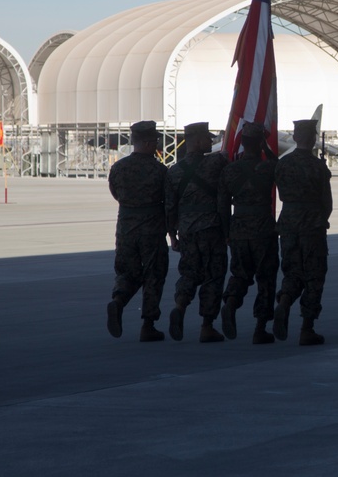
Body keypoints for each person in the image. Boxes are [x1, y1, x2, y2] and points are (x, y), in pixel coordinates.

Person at [106, 120, 169, 342]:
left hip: (125, 228)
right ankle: (148, 325)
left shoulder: (118, 168)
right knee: (154, 274)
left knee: (127, 271)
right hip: (152, 229)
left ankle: (118, 301)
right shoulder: (160, 171)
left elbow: (115, 193)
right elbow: (168, 204)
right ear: (150, 142)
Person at [166, 122, 229, 343]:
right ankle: (207, 326)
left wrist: (173, 235)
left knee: (190, 272)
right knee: (213, 275)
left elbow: (170, 207)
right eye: (206, 138)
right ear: (196, 140)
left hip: (187, 231)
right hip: (211, 229)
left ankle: (180, 306)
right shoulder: (215, 164)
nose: (211, 142)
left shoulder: (174, 171)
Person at [218, 122, 279, 344]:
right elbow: (279, 167)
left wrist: (227, 232)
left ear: (243, 144)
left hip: (238, 229)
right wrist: (267, 149)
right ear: (260, 143)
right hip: (263, 228)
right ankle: (260, 328)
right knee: (266, 278)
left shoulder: (229, 171)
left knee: (240, 274)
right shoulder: (268, 167)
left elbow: (222, 205)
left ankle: (231, 304)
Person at [273, 119, 333, 345]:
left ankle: (285, 301)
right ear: (314, 138)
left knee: (292, 271)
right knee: (314, 275)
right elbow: (327, 203)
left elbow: (280, 194)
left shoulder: (283, 164)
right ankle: (307, 328)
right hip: (312, 225)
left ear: (296, 138)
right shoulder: (318, 167)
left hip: (288, 223)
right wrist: (318, 218)